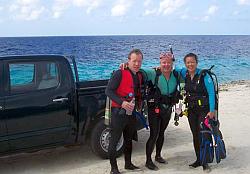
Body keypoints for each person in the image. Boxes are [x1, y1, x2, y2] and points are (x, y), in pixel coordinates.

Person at [105, 49, 144, 174]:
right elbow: (108, 91)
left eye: (139, 61)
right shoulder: (119, 73)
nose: (137, 64)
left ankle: (128, 164)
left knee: (128, 139)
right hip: (118, 112)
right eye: (134, 61)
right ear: (128, 61)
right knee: (115, 140)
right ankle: (114, 169)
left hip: (131, 112)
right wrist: (122, 103)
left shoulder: (139, 75)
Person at [141, 52, 179, 170]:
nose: (166, 65)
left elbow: (190, 71)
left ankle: (158, 156)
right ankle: (148, 161)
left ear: (172, 63)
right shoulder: (154, 73)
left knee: (161, 133)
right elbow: (139, 70)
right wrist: (126, 65)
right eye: (163, 62)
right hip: (155, 109)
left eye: (169, 62)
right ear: (160, 63)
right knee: (154, 134)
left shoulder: (176, 75)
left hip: (167, 109)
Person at [179, 53, 216, 171]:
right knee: (195, 134)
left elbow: (211, 93)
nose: (190, 64)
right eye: (188, 62)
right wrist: (158, 68)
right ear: (185, 64)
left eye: (192, 62)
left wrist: (212, 110)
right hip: (191, 110)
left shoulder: (204, 75)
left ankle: (206, 161)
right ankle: (198, 159)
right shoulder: (184, 72)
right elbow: (173, 68)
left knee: (203, 134)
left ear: (197, 62)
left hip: (204, 111)